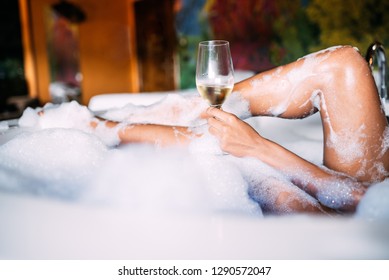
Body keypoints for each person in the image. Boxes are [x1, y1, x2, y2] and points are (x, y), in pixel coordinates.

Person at [93, 45, 389, 214]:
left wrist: (257, 147)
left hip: (357, 226)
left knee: (235, 160)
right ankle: (183, 112)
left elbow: (366, 204)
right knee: (343, 63)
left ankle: (102, 127)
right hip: (369, 201)